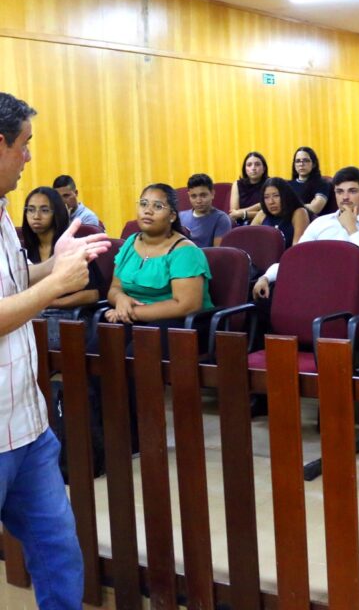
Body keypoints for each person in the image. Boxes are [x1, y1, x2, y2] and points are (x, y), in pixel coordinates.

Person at [0, 91, 111, 609]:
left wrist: (53, 264)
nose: (29, 158)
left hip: (27, 424)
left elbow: (12, 284)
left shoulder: (2, 211)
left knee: (58, 553)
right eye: (24, 145)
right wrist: (55, 286)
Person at [105, 184, 213, 353]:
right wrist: (120, 299)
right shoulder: (130, 243)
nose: (148, 211)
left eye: (157, 206)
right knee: (100, 347)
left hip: (180, 323)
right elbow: (115, 287)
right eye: (143, 204)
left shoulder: (185, 251)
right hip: (136, 319)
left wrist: (131, 312)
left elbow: (186, 306)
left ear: (171, 216)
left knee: (136, 356)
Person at [253, 167, 359, 298]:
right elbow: (295, 259)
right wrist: (266, 277)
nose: (345, 197)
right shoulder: (320, 223)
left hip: (348, 293)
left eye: (352, 191)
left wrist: (352, 229)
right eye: (340, 191)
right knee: (263, 301)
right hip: (311, 288)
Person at [23, 187, 101, 347]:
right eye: (30, 210)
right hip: (35, 313)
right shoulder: (24, 249)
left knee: (30, 337)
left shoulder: (72, 246)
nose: (36, 216)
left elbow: (92, 295)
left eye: (44, 210)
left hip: (72, 316)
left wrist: (50, 302)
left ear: (56, 213)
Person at [253, 176, 310, 247]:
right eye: (266, 197)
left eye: (276, 196)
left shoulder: (299, 212)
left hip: (289, 256)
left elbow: (297, 248)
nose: (271, 202)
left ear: (286, 196)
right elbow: (249, 240)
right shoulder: (262, 214)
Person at [180, 173, 232, 247]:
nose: (198, 201)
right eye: (193, 196)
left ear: (212, 194)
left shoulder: (221, 219)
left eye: (203, 195)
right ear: (189, 196)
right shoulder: (180, 217)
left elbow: (219, 253)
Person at [289, 146, 332, 215]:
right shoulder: (287, 185)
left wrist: (290, 207)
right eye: (298, 161)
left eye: (305, 160)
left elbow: (315, 208)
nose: (301, 164)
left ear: (314, 164)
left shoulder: (322, 184)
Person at [229, 151, 268, 224]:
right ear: (245, 169)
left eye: (257, 164)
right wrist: (259, 206)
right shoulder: (237, 184)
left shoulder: (270, 184)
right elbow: (233, 213)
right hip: (241, 224)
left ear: (264, 168)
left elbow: (269, 213)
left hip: (264, 223)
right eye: (249, 165)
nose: (253, 168)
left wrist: (242, 214)